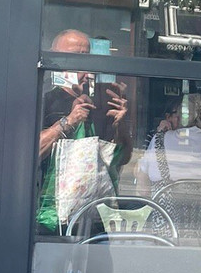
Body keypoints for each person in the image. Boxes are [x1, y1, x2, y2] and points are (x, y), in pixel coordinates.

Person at [36, 29, 131, 234]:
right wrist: (68, 122)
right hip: (49, 218)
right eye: (76, 60)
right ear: (57, 61)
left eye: (88, 60)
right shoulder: (43, 100)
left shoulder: (101, 104)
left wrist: (121, 126)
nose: (86, 71)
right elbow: (31, 153)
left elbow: (121, 159)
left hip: (92, 218)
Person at [139, 93, 201, 184]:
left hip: (164, 195)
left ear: (179, 118)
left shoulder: (159, 139)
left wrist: (161, 132)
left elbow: (142, 183)